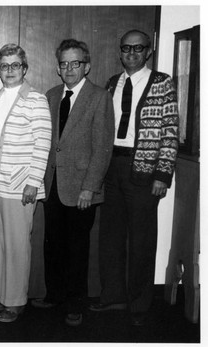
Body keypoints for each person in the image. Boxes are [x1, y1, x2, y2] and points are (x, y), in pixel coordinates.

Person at [89, 29, 179, 327]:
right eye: (126, 48)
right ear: (120, 51)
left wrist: (163, 174)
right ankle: (112, 296)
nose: (131, 53)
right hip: (112, 167)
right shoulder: (113, 83)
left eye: (138, 48)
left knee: (141, 239)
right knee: (110, 237)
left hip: (144, 170)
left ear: (148, 51)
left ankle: (139, 305)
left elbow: (170, 130)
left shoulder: (162, 82)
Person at [30, 39, 115, 327]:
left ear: (86, 66)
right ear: (57, 67)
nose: (69, 68)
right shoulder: (51, 95)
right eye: (64, 63)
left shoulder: (99, 97)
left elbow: (103, 147)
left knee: (78, 248)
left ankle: (75, 303)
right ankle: (54, 294)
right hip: (52, 183)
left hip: (82, 188)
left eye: (75, 63)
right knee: (52, 243)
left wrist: (90, 187)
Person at [0, 44, 52, 323]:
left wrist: (33, 181)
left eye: (16, 65)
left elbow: (43, 144)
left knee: (16, 245)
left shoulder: (36, 99)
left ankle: (14, 301)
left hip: (18, 186)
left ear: (24, 69)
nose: (10, 71)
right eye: (5, 66)